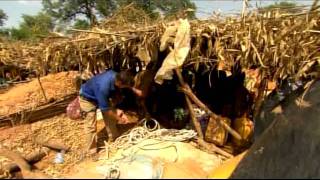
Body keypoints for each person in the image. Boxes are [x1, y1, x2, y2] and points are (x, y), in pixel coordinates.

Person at [79, 69, 142, 155]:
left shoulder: (116, 75)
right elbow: (106, 110)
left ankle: (114, 138)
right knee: (91, 126)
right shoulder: (103, 88)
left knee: (110, 119)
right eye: (124, 86)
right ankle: (91, 151)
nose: (124, 88)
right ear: (119, 83)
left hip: (97, 92)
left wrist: (134, 90)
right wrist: (120, 118)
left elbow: (126, 83)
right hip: (87, 98)